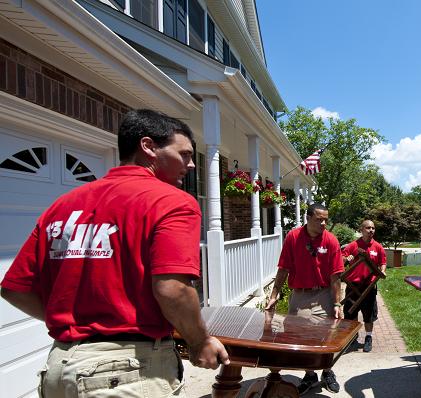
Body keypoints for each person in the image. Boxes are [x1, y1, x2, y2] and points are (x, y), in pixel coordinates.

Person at [0, 109, 230, 397]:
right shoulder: (172, 202)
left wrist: (80, 323)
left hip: (59, 368)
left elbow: (14, 289)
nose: (192, 164)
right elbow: (172, 289)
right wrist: (199, 341)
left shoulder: (63, 205)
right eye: (183, 154)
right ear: (148, 147)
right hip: (126, 373)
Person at [265, 203, 344, 394]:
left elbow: (335, 276)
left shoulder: (331, 241)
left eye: (326, 219)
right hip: (299, 294)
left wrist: (336, 303)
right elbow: (283, 268)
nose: (324, 223)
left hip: (323, 293)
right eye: (319, 219)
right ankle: (310, 375)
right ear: (308, 218)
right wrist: (274, 295)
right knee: (300, 336)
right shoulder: (293, 237)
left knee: (325, 334)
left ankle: (327, 370)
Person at [341, 220, 386, 352]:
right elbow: (341, 259)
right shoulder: (353, 245)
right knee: (351, 313)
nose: (371, 230)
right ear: (362, 229)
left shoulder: (378, 247)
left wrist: (383, 271)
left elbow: (383, 262)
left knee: (369, 315)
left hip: (369, 287)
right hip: (353, 285)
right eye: (368, 228)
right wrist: (346, 259)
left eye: (373, 228)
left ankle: (368, 337)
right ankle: (353, 337)